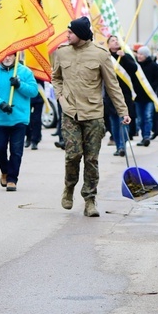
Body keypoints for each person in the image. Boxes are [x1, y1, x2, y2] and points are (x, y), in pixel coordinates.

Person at [52, 16, 130, 218]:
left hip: (94, 114)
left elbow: (113, 86)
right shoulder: (61, 52)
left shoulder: (101, 55)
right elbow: (56, 77)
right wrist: (60, 97)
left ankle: (89, 199)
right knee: (73, 155)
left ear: (81, 34)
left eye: (70, 32)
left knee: (92, 159)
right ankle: (69, 188)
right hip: (70, 113)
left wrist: (123, 112)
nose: (67, 35)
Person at [0, 53, 38, 191]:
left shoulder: (25, 72)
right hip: (0, 119)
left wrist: (20, 84)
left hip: (19, 118)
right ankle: (5, 170)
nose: (7, 58)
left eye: (10, 56)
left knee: (16, 150)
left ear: (15, 56)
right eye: (4, 56)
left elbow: (33, 91)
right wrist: (1, 104)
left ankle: (12, 179)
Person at [104, 35, 137, 156]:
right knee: (114, 123)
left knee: (122, 121)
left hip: (124, 95)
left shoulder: (125, 55)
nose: (116, 41)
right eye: (112, 40)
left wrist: (124, 58)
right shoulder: (106, 57)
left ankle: (123, 147)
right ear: (108, 44)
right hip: (110, 95)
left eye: (117, 40)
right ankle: (118, 146)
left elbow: (134, 69)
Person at [132, 46, 158, 147]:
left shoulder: (153, 65)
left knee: (148, 117)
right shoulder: (136, 65)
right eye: (138, 54)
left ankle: (147, 136)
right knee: (140, 119)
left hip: (149, 96)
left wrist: (152, 87)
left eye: (141, 54)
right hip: (138, 97)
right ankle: (143, 137)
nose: (139, 56)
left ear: (146, 55)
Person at [26, 78, 45, 151]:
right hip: (27, 96)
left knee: (37, 119)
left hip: (39, 94)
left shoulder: (39, 68)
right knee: (27, 119)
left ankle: (35, 140)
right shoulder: (22, 67)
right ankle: (28, 136)